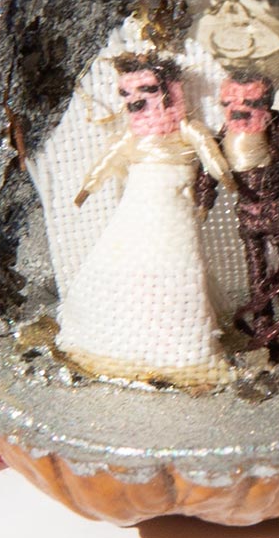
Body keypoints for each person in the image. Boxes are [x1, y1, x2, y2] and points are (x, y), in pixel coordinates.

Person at [53, 56, 237, 388]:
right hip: (138, 204)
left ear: (171, 93)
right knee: (124, 256)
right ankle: (110, 337)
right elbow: (110, 158)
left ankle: (184, 352)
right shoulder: (132, 137)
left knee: (175, 260)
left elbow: (208, 151)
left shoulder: (186, 130)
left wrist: (226, 178)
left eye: (148, 91)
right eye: (127, 95)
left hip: (173, 201)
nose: (136, 102)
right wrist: (88, 188)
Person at [208, 73, 279, 351]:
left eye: (250, 103)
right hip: (247, 216)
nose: (239, 110)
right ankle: (263, 322)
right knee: (255, 271)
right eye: (230, 103)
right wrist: (204, 200)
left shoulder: (275, 130)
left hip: (277, 211)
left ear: (266, 104)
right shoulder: (224, 136)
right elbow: (209, 169)